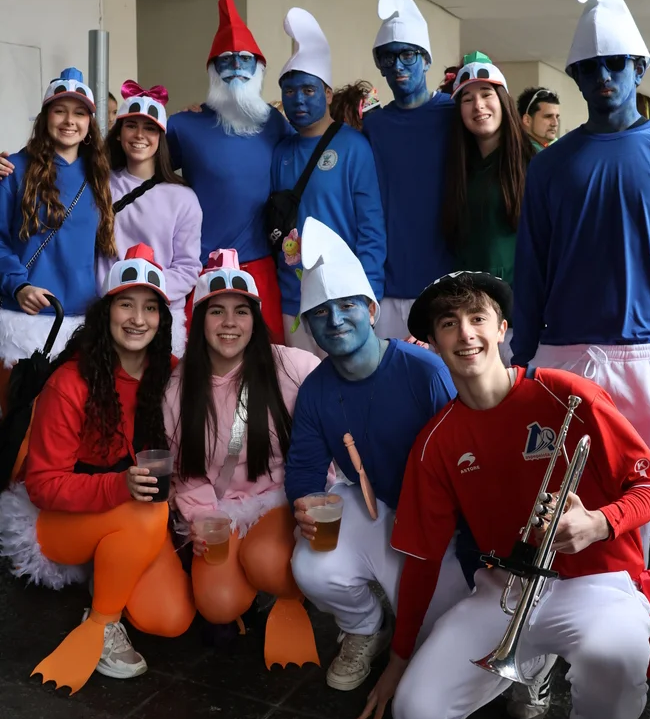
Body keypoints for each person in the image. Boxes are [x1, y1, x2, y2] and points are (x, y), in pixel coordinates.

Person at [363, 270, 650, 719]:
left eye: (477, 318)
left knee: (616, 657)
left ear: (502, 329)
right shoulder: (436, 441)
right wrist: (397, 658)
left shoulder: (566, 393)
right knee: (415, 714)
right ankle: (531, 664)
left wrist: (599, 522)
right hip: (508, 589)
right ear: (432, 341)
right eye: (449, 324)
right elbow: (421, 558)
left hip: (594, 579)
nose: (466, 333)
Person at [511, 0, 650, 560]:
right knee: (553, 509)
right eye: (590, 68)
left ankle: (629, 611)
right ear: (576, 76)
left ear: (638, 67)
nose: (604, 77)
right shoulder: (549, 166)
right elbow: (531, 269)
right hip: (562, 357)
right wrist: (521, 362)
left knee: (632, 521)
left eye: (615, 64)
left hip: (645, 356)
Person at [0, 245, 195, 694]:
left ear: (162, 319)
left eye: (150, 307)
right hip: (57, 521)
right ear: (106, 312)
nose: (138, 319)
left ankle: (110, 562)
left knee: (170, 619)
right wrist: (119, 486)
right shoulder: (70, 381)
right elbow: (43, 486)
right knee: (147, 512)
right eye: (126, 304)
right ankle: (103, 621)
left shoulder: (169, 374)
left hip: (129, 515)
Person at [286, 218, 470, 691]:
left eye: (346, 305)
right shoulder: (315, 391)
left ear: (371, 310)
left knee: (442, 646)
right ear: (309, 327)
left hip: (439, 525)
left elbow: (465, 461)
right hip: (378, 505)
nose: (334, 320)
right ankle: (365, 627)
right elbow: (304, 469)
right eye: (320, 313)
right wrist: (304, 503)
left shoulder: (425, 371)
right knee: (310, 564)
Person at [163, 249, 322, 668]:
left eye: (241, 311)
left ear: (256, 318)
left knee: (267, 563)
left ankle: (286, 591)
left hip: (279, 499)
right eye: (217, 311)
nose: (230, 323)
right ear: (199, 320)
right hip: (218, 508)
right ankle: (243, 587)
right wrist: (201, 519)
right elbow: (183, 471)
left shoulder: (294, 367)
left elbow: (335, 413)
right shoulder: (178, 388)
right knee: (218, 605)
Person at [166, 0, 293, 342]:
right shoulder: (182, 125)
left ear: (259, 68)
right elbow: (143, 178)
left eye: (245, 59)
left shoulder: (276, 124)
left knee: (269, 360)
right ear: (212, 69)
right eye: (226, 60)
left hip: (262, 268)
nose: (236, 67)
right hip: (200, 269)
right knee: (194, 361)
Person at [273, 9, 386, 353]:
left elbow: (371, 228)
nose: (298, 99)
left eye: (309, 89)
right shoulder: (281, 150)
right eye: (289, 91)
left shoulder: (354, 147)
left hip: (342, 299)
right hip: (293, 299)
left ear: (328, 94)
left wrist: (368, 294)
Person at [0, 68, 115, 401]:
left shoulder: (101, 175)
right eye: (60, 110)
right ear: (45, 117)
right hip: (23, 320)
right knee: (20, 424)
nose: (69, 121)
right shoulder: (13, 169)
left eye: (79, 113)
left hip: (82, 322)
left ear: (90, 123)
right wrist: (18, 285)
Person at [363, 0, 455, 339]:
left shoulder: (454, 115)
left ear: (426, 60)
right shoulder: (374, 125)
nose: (398, 65)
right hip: (387, 286)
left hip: (447, 283)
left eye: (408, 55)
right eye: (388, 58)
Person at [442, 52, 539, 362]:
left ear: (503, 100)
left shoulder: (535, 162)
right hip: (471, 315)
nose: (478, 106)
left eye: (486, 94)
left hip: (523, 317)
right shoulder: (457, 167)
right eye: (467, 99)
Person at [98, 80, 202, 354]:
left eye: (150, 128)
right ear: (118, 133)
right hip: (107, 313)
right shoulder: (99, 186)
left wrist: (144, 294)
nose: (139, 135)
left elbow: (187, 267)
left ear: (161, 137)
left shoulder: (183, 198)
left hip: (161, 316)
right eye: (131, 125)